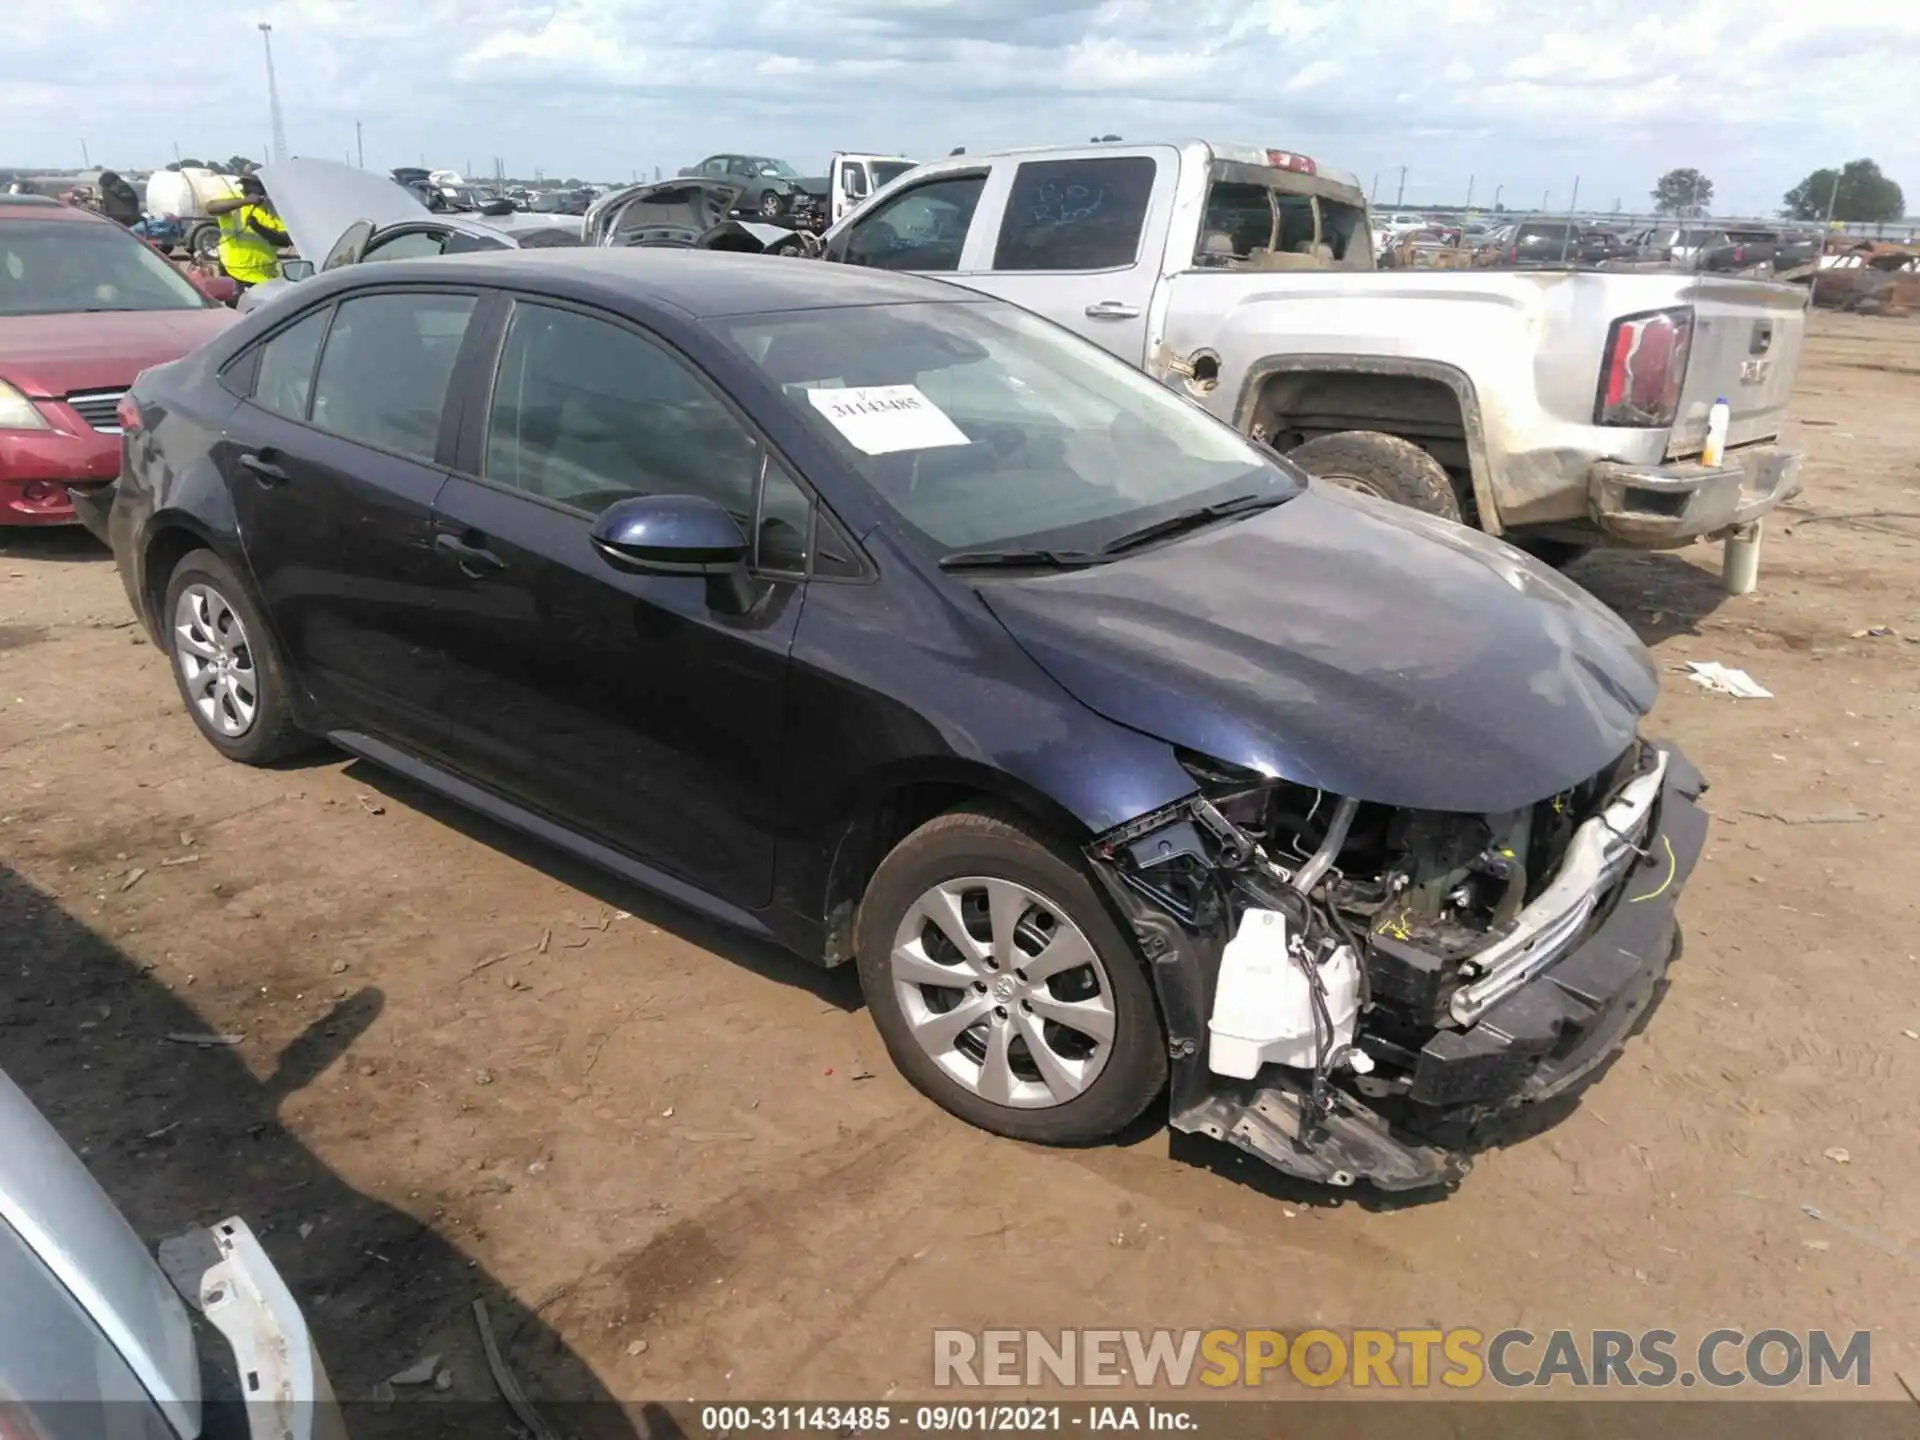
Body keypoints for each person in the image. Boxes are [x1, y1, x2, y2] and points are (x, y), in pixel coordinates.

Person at [205, 175, 289, 288]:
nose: (246, 189)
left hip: (265, 274)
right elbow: (211, 208)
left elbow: (285, 240)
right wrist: (245, 201)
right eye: (245, 185)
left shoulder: (273, 207)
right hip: (235, 271)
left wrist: (259, 228)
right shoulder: (235, 199)